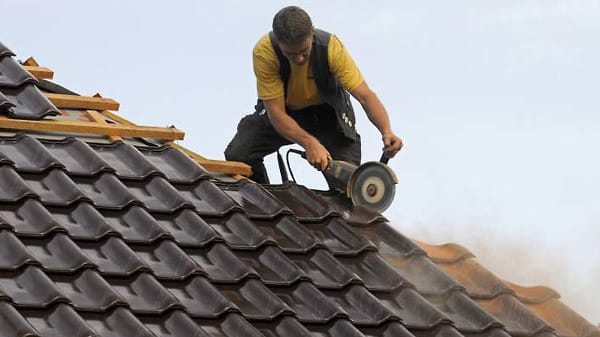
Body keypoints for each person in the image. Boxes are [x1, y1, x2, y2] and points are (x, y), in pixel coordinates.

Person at [225, 6, 402, 184]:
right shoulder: (265, 52)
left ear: (312, 33)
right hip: (285, 115)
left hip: (328, 117)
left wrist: (386, 130)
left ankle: (340, 208)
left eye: (304, 51)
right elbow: (276, 114)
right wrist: (310, 144)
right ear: (279, 43)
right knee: (239, 153)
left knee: (349, 186)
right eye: (291, 54)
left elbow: (365, 96)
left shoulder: (331, 47)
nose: (299, 59)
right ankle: (261, 203)